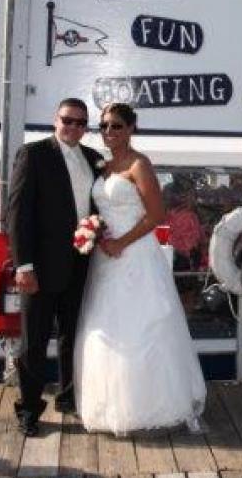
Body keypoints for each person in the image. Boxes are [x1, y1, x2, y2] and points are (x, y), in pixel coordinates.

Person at [74, 102, 206, 434]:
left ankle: (151, 407)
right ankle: (107, 406)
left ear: (131, 128)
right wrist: (97, 230)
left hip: (134, 256)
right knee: (107, 329)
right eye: (104, 126)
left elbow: (157, 216)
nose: (109, 132)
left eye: (116, 126)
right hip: (105, 258)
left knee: (140, 327)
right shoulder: (103, 166)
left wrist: (122, 242)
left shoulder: (139, 164)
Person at [7, 97, 102, 436]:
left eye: (80, 122)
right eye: (68, 120)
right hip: (41, 266)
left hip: (82, 261)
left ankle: (68, 397)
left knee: (72, 335)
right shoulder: (33, 154)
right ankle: (29, 410)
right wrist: (24, 265)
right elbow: (17, 214)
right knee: (33, 341)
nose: (73, 127)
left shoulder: (93, 159)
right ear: (55, 119)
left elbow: (97, 209)